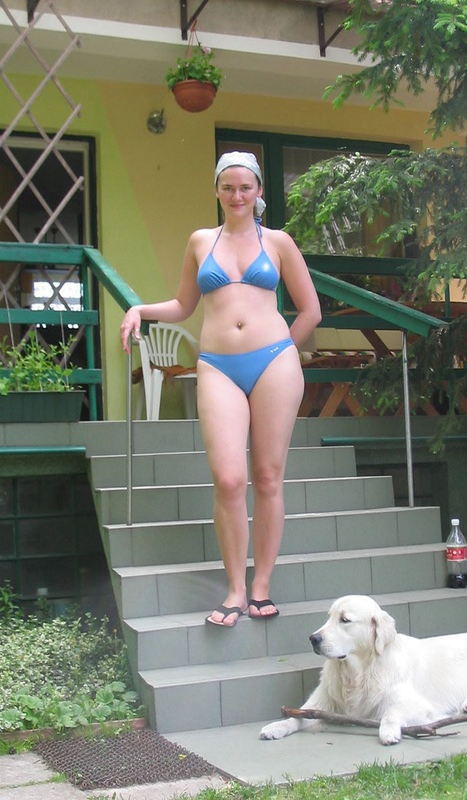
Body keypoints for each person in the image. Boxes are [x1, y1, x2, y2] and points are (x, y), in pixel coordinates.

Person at [120, 151, 321, 628]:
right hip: (217, 366)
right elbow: (183, 304)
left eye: (245, 187)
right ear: (216, 190)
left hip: (274, 362)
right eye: (228, 187)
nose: (237, 195)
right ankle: (234, 589)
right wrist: (140, 310)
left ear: (258, 191)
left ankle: (260, 586)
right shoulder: (200, 241)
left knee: (267, 477)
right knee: (229, 479)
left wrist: (282, 353)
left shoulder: (279, 242)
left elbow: (311, 311)